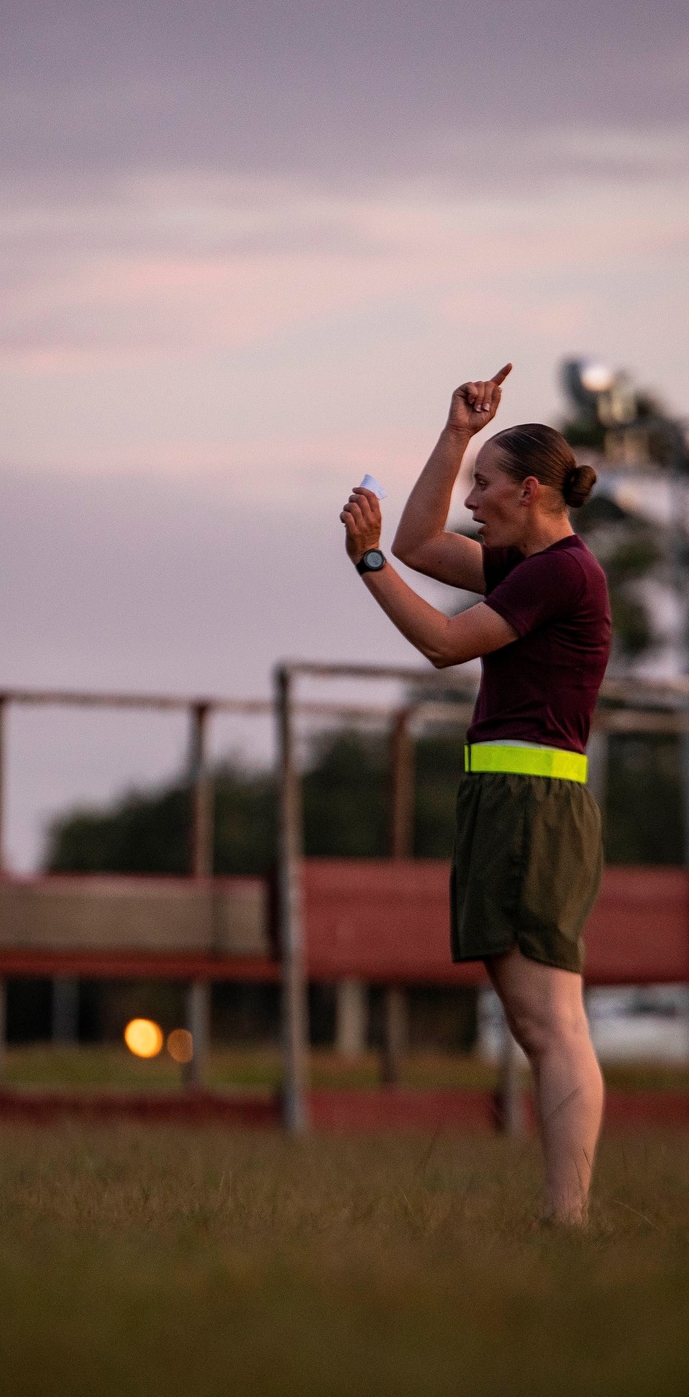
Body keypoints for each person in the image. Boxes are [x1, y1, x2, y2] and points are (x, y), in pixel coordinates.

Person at [341, 366, 611, 1225]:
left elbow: (445, 643)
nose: (472, 500)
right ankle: (563, 1214)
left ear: (529, 491)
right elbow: (425, 542)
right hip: (513, 800)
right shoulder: (532, 565)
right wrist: (457, 433)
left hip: (533, 806)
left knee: (550, 1026)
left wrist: (368, 563)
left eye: (484, 486)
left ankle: (565, 1217)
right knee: (544, 1023)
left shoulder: (558, 573)